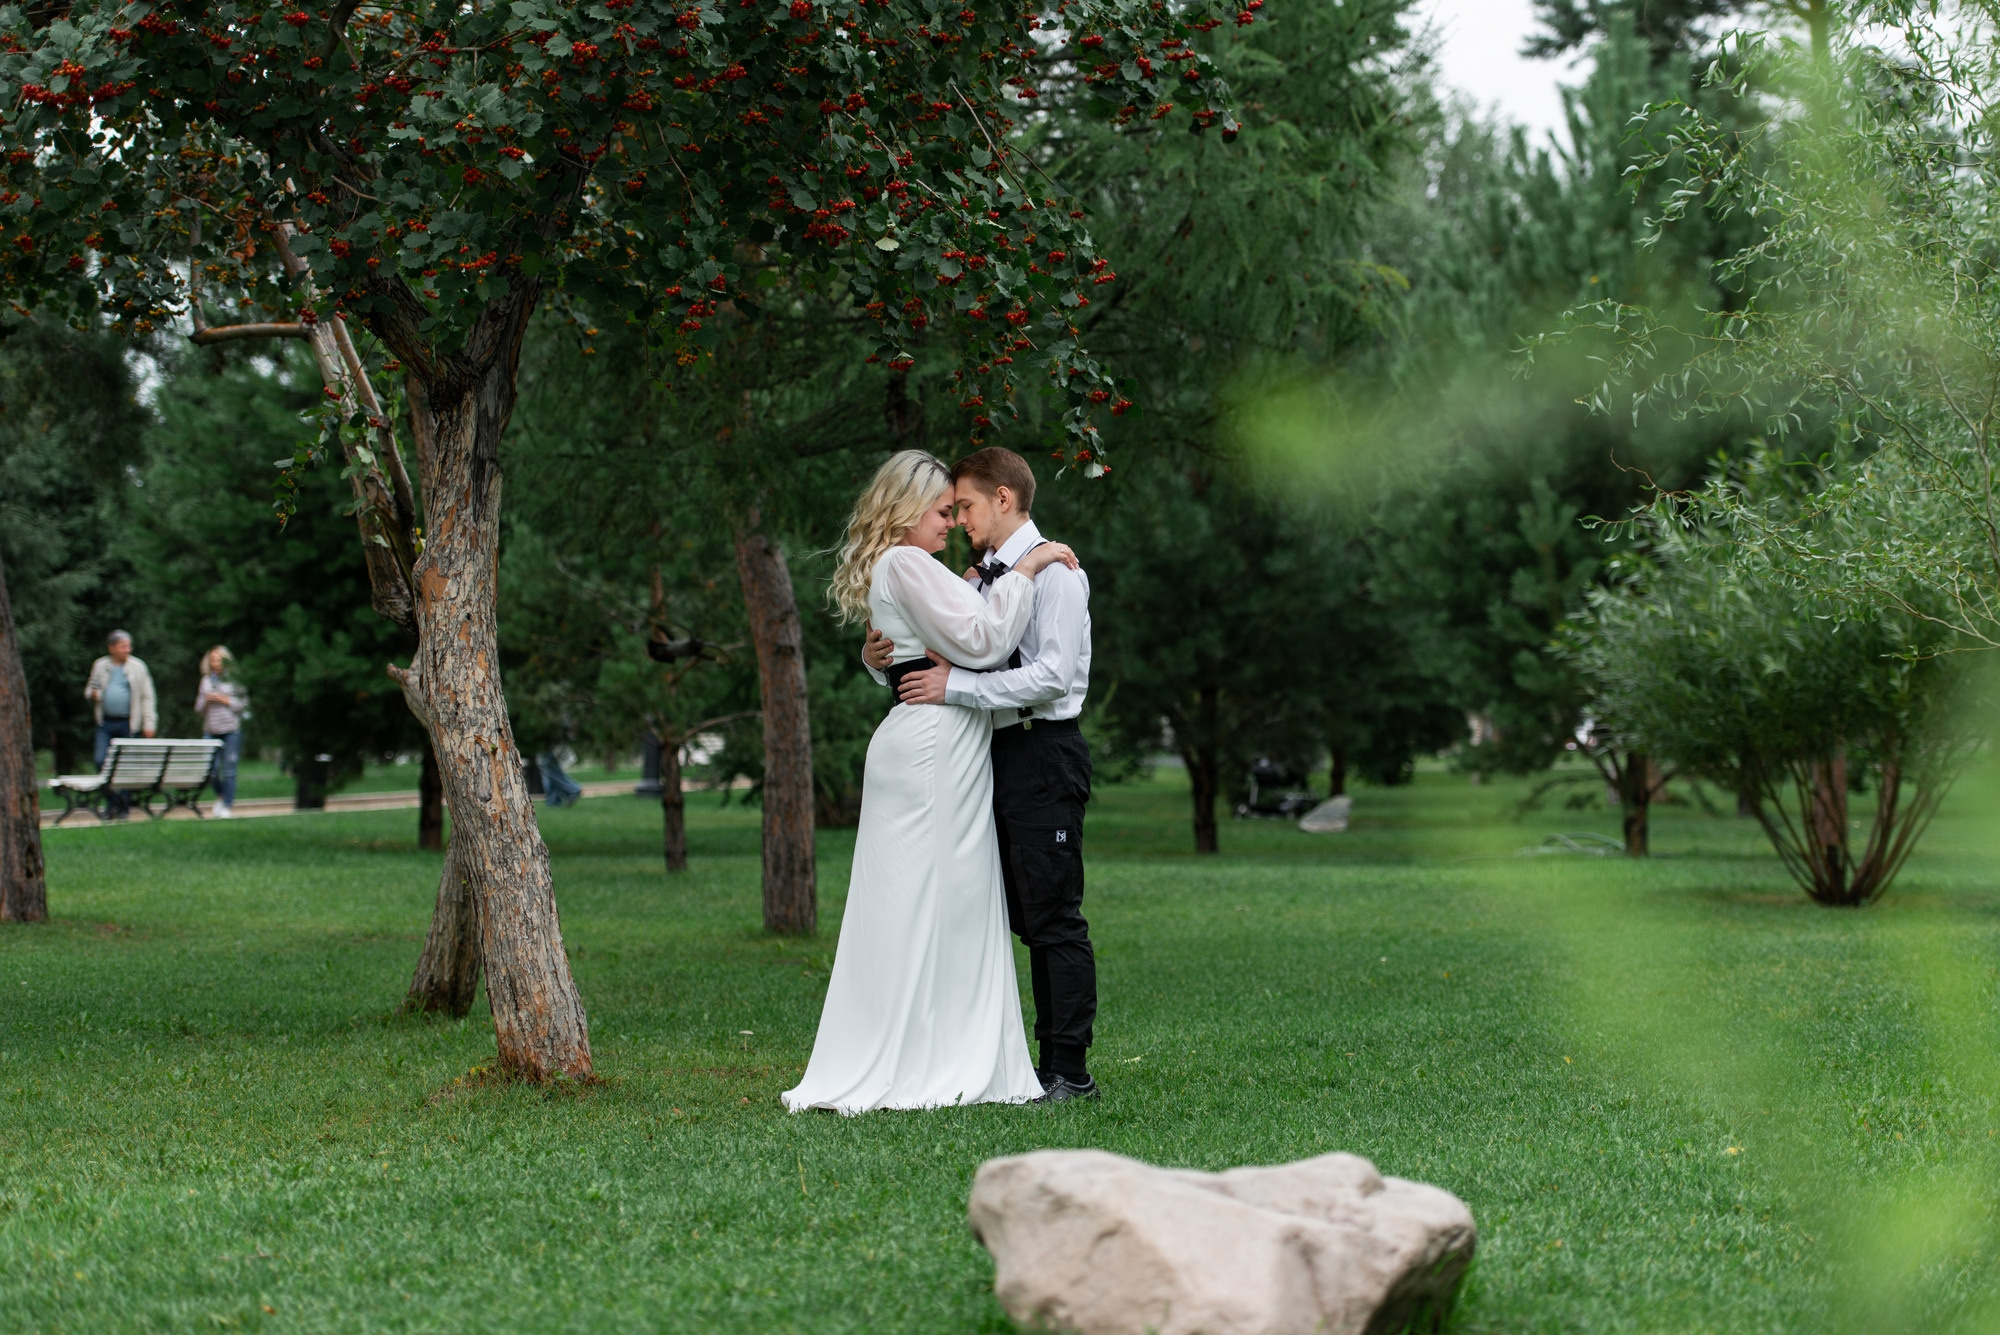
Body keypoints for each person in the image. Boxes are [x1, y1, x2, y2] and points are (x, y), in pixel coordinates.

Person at [783, 450, 1078, 1114]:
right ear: (909, 508)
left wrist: (879, 649)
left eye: (957, 510)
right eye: (943, 511)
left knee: (930, 903)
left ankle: (929, 1045)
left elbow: (909, 643)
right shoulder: (909, 561)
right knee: (945, 901)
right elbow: (984, 642)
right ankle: (936, 1055)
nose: (950, 523)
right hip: (934, 751)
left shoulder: (901, 565)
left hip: (928, 743)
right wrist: (1027, 569)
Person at [863, 446, 1099, 1101]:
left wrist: (957, 688)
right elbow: (934, 646)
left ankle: (1069, 1070)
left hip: (1043, 751)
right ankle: (1014, 1061)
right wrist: (876, 655)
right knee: (1013, 916)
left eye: (965, 505)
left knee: (1054, 915)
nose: (958, 518)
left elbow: (1052, 677)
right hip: (990, 755)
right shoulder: (980, 577)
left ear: (1003, 498)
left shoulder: (1056, 574)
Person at [84, 630, 157, 820]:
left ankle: (123, 808)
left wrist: (149, 722)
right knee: (101, 761)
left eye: (128, 646)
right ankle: (113, 801)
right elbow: (90, 689)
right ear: (111, 648)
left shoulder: (138, 667)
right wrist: (92, 694)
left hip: (128, 723)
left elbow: (147, 696)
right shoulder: (100, 666)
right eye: (123, 646)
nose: (127, 650)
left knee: (125, 766)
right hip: (105, 723)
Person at [194, 646, 248, 818]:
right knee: (211, 770)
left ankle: (226, 805)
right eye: (212, 660)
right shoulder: (206, 681)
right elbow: (198, 709)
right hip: (211, 730)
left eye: (218, 659)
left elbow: (243, 705)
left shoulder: (235, 680)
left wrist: (225, 700)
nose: (215, 663)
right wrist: (207, 700)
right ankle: (221, 796)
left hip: (231, 730)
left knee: (229, 770)